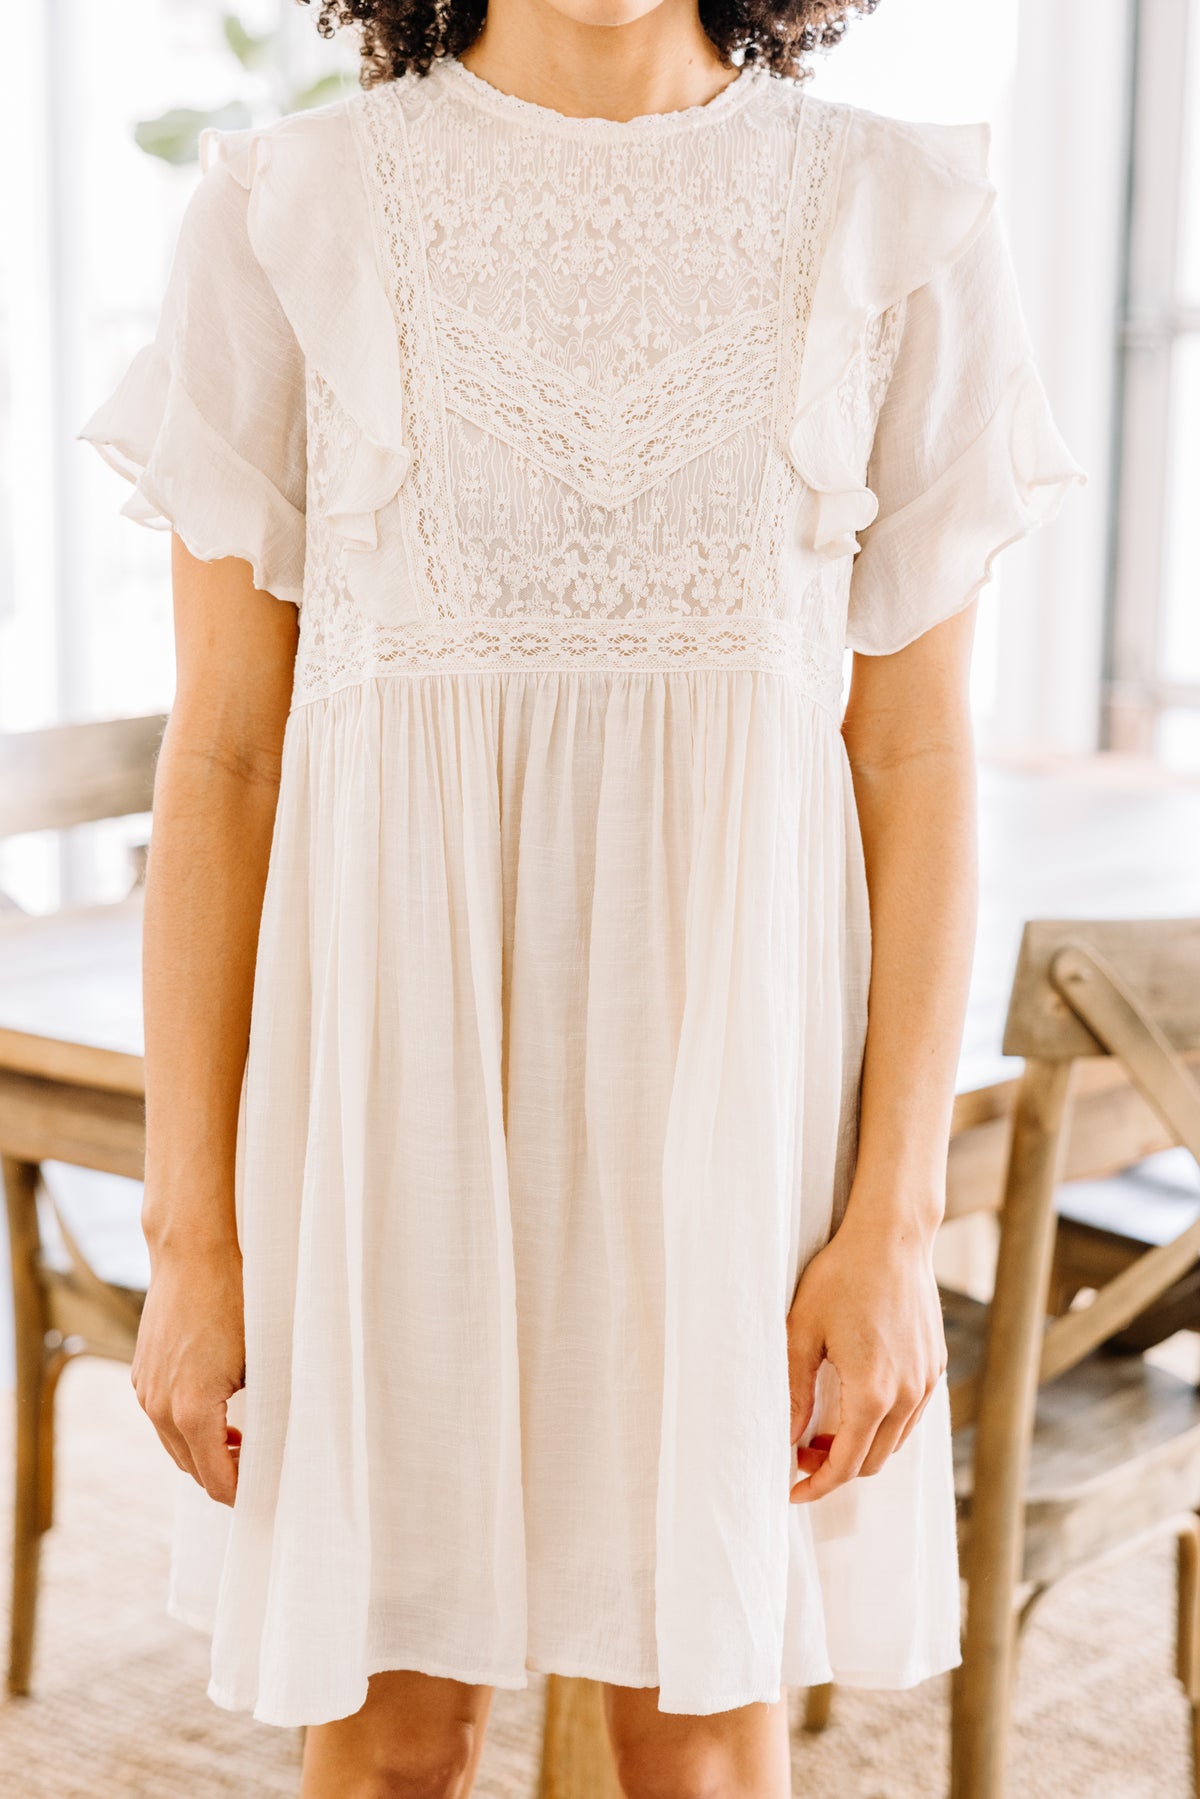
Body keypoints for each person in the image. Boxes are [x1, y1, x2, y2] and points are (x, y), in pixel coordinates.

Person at [76, 0, 1086, 1791]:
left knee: (699, 1739)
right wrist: (192, 1237)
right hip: (385, 1108)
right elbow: (222, 763)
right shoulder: (290, 209)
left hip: (740, 1118)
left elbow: (916, 761)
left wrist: (894, 1222)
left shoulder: (898, 218)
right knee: (393, 1735)